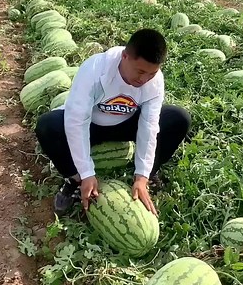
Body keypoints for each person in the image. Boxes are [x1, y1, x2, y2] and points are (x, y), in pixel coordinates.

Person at [35, 29, 191, 217]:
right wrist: (86, 173)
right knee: (47, 125)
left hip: (125, 123)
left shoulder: (154, 82)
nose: (144, 79)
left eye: (151, 73)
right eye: (140, 71)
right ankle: (74, 181)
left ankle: (149, 175)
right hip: (92, 124)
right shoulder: (94, 69)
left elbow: (149, 126)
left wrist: (142, 174)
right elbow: (77, 122)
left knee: (178, 118)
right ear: (125, 56)